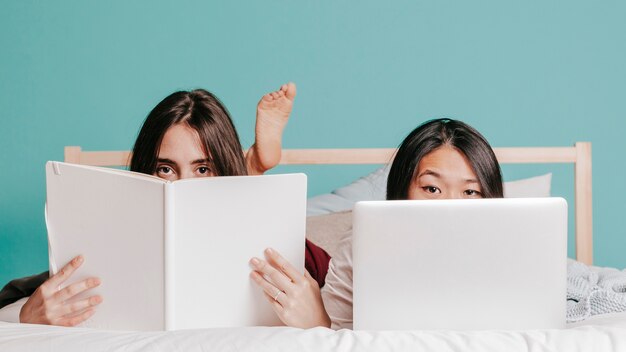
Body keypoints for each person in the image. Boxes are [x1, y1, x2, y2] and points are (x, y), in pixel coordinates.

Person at [0, 83, 331, 326]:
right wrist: (30, 317)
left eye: (202, 169)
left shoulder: (262, 239)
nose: (182, 184)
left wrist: (319, 320)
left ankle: (253, 171)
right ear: (146, 168)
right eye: (165, 168)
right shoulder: (113, 231)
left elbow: (320, 273)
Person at [248, 118, 503, 329]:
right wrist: (318, 326)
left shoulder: (508, 251)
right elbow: (334, 334)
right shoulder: (365, 242)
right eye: (432, 188)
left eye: (470, 192)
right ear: (402, 191)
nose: (450, 206)